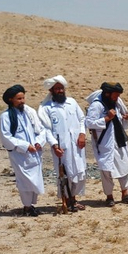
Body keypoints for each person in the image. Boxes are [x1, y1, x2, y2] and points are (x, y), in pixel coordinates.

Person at [0, 84, 57, 217]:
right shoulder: (6, 117)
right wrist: (25, 145)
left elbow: (41, 130)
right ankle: (26, 206)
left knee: (35, 179)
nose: (22, 101)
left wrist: (38, 142)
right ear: (10, 100)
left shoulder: (29, 111)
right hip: (19, 154)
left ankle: (30, 205)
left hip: (34, 152)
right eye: (19, 99)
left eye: (23, 98)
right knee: (24, 180)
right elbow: (6, 137)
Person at [38, 75, 88, 212]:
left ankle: (74, 199)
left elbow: (82, 119)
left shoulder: (71, 102)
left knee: (79, 172)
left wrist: (82, 134)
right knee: (65, 174)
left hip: (77, 144)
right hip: (61, 147)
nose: (60, 91)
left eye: (61, 88)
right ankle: (66, 200)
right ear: (51, 91)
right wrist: (54, 145)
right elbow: (46, 129)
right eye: (57, 89)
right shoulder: (46, 108)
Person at [85, 82, 128, 206]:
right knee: (106, 170)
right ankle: (109, 196)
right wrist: (106, 118)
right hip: (104, 143)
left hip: (118, 139)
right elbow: (89, 123)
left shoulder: (116, 103)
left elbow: (118, 118)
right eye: (115, 95)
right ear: (107, 93)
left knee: (123, 166)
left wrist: (125, 117)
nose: (117, 97)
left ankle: (125, 193)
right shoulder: (97, 105)